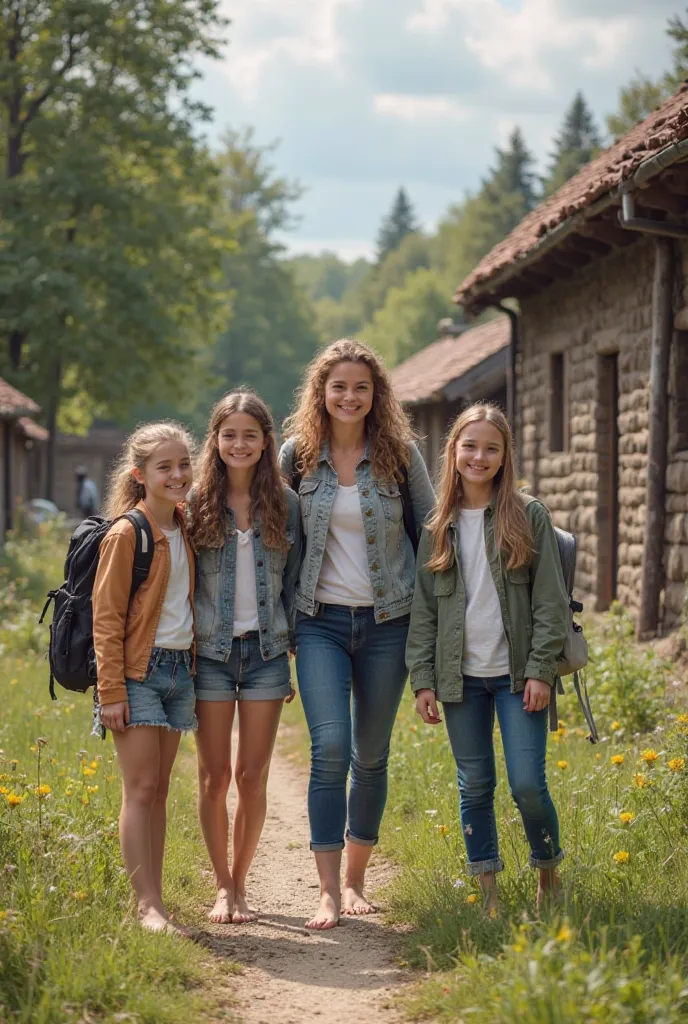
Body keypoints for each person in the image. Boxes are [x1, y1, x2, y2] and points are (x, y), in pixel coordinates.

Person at [279, 338, 435, 930]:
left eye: (361, 387)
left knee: (370, 756)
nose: (349, 396)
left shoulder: (400, 455)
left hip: (389, 625)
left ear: (376, 395)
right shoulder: (296, 456)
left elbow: (431, 538)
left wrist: (432, 626)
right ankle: (326, 891)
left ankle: (356, 880)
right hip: (317, 622)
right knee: (329, 748)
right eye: (338, 386)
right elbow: (265, 531)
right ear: (321, 392)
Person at [406, 403, 569, 914]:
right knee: (474, 783)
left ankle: (547, 877)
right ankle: (489, 896)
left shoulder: (528, 516)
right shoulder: (438, 525)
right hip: (460, 681)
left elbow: (549, 602)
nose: (479, 456)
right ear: (453, 451)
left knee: (527, 783)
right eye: (469, 445)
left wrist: (541, 671)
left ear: (504, 458)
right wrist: (423, 680)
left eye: (491, 448)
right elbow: (424, 612)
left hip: (518, 678)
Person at [188, 391, 301, 925]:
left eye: (249, 435)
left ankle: (243, 883)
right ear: (215, 440)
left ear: (264, 442)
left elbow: (296, 583)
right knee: (213, 777)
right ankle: (221, 887)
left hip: (266, 655)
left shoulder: (287, 503)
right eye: (229, 434)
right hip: (208, 655)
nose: (239, 444)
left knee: (251, 775)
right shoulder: (192, 504)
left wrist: (293, 648)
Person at [92, 422, 196, 934]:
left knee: (160, 791)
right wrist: (110, 691)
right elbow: (106, 618)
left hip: (180, 671)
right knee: (140, 787)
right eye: (165, 467)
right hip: (138, 673)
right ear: (140, 474)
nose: (177, 475)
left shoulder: (186, 527)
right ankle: (146, 906)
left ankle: (157, 899)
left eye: (183, 465)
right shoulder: (127, 533)